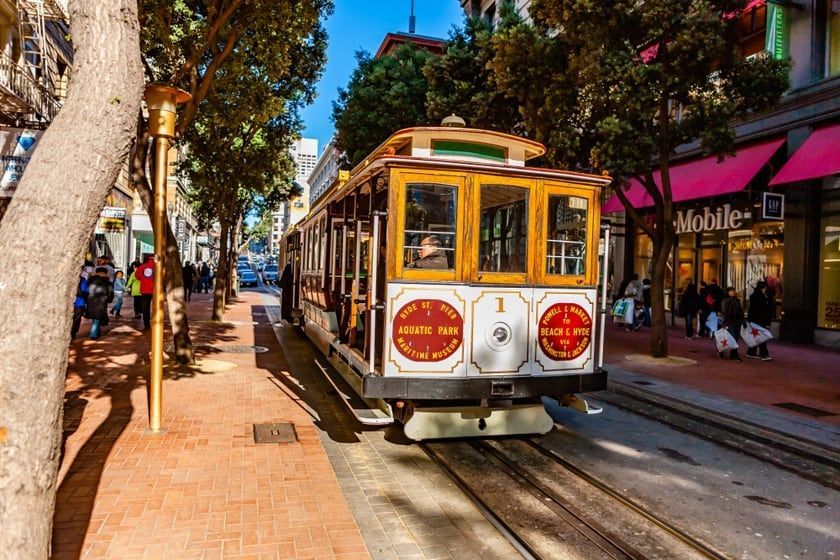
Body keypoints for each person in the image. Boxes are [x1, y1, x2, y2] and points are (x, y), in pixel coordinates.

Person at [747, 281, 773, 360]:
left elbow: (751, 309)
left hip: (755, 319)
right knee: (762, 336)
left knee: (757, 336)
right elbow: (764, 309)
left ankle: (751, 351)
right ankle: (764, 353)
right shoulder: (762, 297)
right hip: (760, 319)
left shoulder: (754, 296)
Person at [86, 267, 114, 339]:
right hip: (102, 299)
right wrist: (109, 299)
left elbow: (86, 290)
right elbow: (110, 291)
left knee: (94, 316)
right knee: (98, 316)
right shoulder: (107, 282)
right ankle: (93, 334)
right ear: (105, 273)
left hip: (91, 299)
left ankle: (97, 332)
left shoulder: (90, 280)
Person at [720, 286, 744, 361]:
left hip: (736, 322)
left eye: (733, 291)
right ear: (727, 292)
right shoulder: (726, 301)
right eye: (730, 291)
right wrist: (725, 323)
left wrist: (742, 320)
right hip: (729, 322)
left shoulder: (737, 301)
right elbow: (725, 312)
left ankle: (734, 354)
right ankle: (721, 350)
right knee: (731, 337)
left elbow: (740, 312)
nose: (733, 292)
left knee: (735, 338)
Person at [70, 264, 92, 339]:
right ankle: (73, 332)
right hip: (79, 302)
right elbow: (86, 290)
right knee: (76, 318)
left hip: (71, 302)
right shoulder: (82, 279)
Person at [134, 254, 155, 330]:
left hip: (145, 289)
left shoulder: (142, 266)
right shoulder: (158, 266)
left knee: (146, 307)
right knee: (158, 306)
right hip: (157, 290)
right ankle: (157, 323)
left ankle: (147, 324)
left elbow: (137, 276)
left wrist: (144, 280)